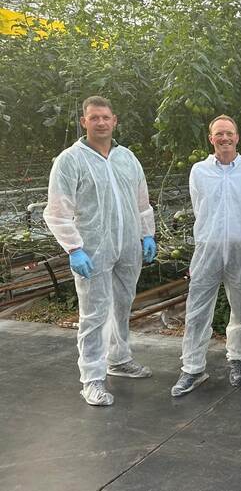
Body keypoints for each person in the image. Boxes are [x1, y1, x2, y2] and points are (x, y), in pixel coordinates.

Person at [44, 96, 156, 406]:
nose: (101, 122)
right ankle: (91, 378)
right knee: (94, 314)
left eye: (105, 117)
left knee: (121, 305)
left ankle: (118, 359)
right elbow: (57, 211)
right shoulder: (70, 160)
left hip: (128, 247)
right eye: (94, 118)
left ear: (114, 120)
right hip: (93, 250)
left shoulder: (127, 158)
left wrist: (147, 235)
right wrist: (74, 248)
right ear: (84, 122)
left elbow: (142, 202)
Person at [171, 115, 241, 397]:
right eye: (219, 134)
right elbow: (201, 207)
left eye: (229, 133)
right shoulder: (199, 171)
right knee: (197, 309)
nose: (224, 138)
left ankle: (239, 358)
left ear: (237, 137)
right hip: (207, 247)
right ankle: (193, 368)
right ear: (211, 138)